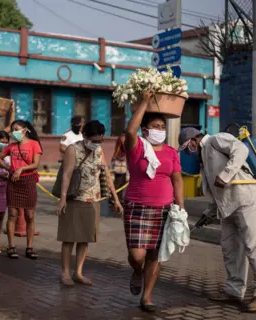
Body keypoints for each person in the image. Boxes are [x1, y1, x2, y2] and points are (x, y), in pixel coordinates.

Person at [178, 127, 256, 313]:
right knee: (231, 249)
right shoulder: (204, 158)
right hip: (227, 207)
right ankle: (234, 291)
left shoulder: (216, 140)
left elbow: (241, 150)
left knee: (254, 246)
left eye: (187, 148)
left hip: (247, 200)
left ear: (194, 141)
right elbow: (215, 192)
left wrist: (226, 174)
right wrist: (208, 212)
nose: (188, 153)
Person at [124, 91, 184, 313]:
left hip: (164, 210)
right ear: (145, 129)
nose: (159, 130)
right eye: (155, 126)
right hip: (137, 207)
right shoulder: (137, 147)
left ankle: (147, 297)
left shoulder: (170, 152)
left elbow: (177, 181)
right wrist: (144, 103)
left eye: (162, 126)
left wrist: (181, 209)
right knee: (136, 255)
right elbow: (130, 130)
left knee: (155, 255)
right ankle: (136, 271)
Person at [56, 120, 123, 286]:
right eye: (94, 141)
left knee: (85, 238)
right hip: (74, 199)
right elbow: (67, 174)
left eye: (100, 141)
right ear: (85, 136)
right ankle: (65, 273)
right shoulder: (73, 149)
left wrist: (116, 199)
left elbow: (107, 175)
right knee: (69, 237)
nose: (97, 144)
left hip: (93, 199)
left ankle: (78, 272)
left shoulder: (99, 150)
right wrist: (63, 198)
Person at [0, 120, 43, 259]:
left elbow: (36, 164)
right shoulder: (11, 146)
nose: (14, 132)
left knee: (30, 215)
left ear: (25, 130)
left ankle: (29, 247)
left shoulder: (34, 144)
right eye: (12, 129)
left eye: (16, 129)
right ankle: (11, 247)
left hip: (28, 181)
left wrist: (21, 168)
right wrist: (9, 169)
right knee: (12, 214)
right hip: (13, 182)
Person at [111, 131, 128, 202]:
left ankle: (119, 198)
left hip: (122, 165)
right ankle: (114, 199)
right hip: (119, 164)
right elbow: (121, 151)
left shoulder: (123, 140)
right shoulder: (121, 140)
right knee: (118, 183)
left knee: (122, 183)